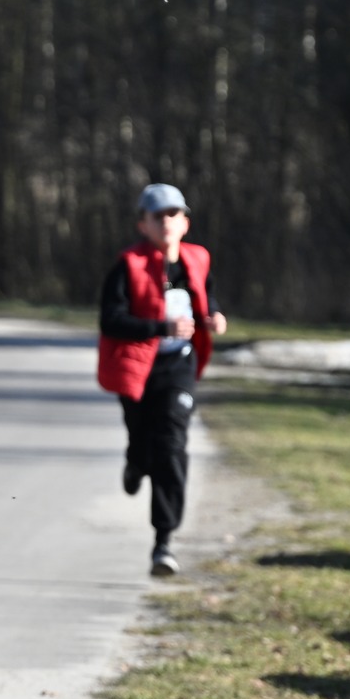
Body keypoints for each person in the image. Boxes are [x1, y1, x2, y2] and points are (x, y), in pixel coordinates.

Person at [96, 182, 228, 578]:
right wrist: (160, 326)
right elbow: (110, 320)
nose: (167, 222)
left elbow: (207, 296)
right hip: (136, 367)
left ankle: (163, 542)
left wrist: (214, 316)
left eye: (175, 214)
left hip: (178, 369)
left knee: (172, 446)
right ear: (143, 224)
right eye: (158, 216)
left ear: (185, 222)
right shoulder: (128, 265)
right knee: (142, 442)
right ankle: (135, 462)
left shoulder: (197, 260)